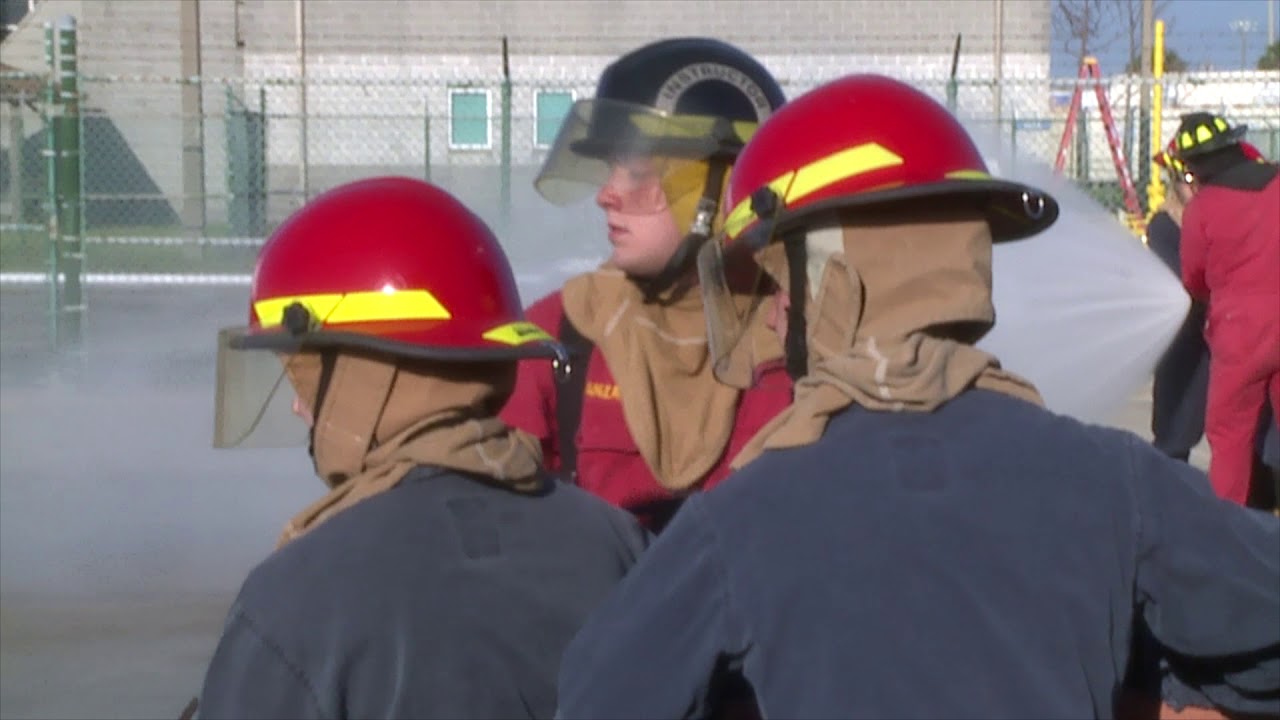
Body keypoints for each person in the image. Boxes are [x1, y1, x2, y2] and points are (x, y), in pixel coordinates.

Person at [554, 75, 1280, 719]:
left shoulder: (738, 519)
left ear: (831, 286)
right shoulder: (1115, 479)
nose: (771, 317)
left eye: (777, 287)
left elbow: (598, 698)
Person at [198, 177, 650, 719]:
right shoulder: (621, 545)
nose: (298, 409)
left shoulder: (297, 595)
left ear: (369, 376)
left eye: (306, 378)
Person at [499, 37, 794, 533]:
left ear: (721, 188)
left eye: (637, 173)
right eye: (610, 171)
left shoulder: (798, 336)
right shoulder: (563, 333)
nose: (607, 195)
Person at [1174, 112, 1280, 506]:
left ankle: (1224, 536)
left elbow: (1195, 280)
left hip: (1239, 335)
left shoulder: (1203, 208)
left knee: (1230, 437)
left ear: (1195, 167)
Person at [1147, 140, 1210, 464]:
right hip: (1186, 344)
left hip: (1220, 337)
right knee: (1174, 433)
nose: (1198, 186)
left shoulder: (1215, 218)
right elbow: (1184, 281)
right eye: (1190, 180)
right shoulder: (1164, 226)